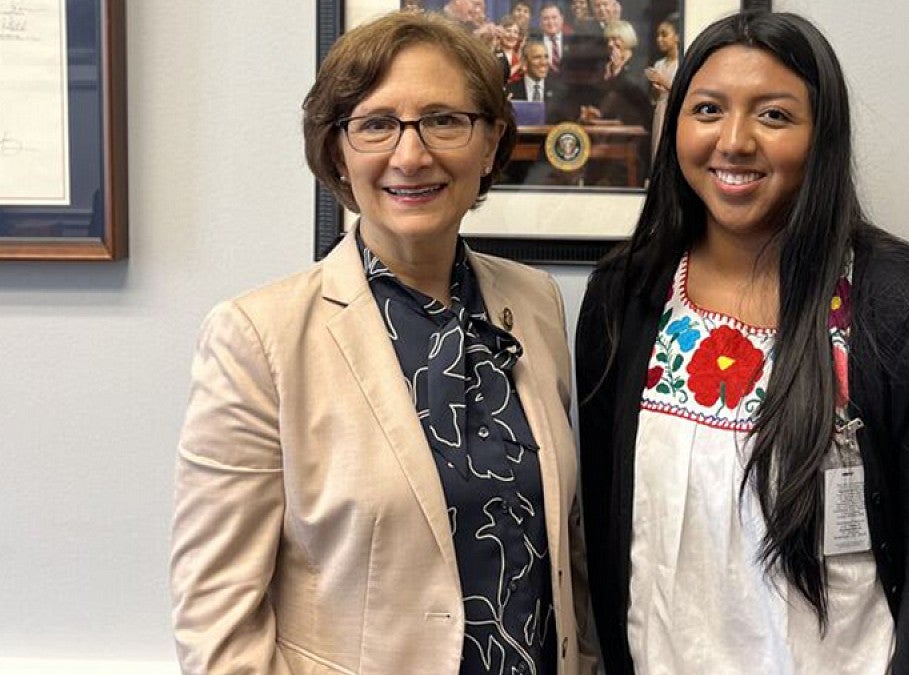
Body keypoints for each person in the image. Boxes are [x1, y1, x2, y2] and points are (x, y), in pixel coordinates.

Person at [576, 10, 909, 675]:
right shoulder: (625, 299)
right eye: (709, 109)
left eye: (774, 116)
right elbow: (610, 543)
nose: (735, 140)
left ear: (822, 138)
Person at [171, 11, 597, 675]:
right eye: (376, 124)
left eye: (443, 120)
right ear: (337, 150)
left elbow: (564, 552)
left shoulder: (534, 304)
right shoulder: (259, 338)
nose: (411, 154)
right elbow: (215, 619)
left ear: (489, 144)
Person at [644, 16, 679, 155]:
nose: (659, 39)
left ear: (677, 37)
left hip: (674, 113)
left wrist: (663, 80)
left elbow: (683, 91)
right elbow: (653, 97)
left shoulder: (682, 63)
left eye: (664, 35)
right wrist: (655, 87)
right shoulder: (659, 64)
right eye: (658, 35)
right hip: (660, 111)